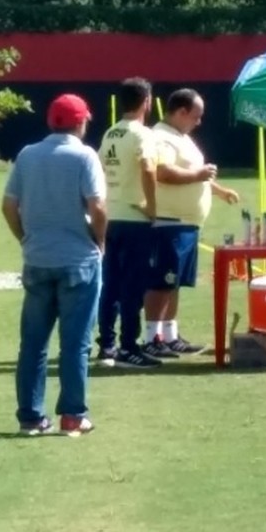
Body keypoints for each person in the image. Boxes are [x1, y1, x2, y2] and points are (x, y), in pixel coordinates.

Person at [2, 93, 107, 437]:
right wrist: (99, 240)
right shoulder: (84, 155)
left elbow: (9, 205)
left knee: (33, 343)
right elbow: (98, 206)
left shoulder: (28, 155)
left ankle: (30, 417)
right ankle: (73, 415)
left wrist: (25, 238)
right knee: (75, 342)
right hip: (78, 259)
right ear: (80, 122)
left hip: (38, 258)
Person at [142, 88, 240, 357]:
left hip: (185, 224)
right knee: (161, 282)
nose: (199, 122)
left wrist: (217, 190)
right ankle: (151, 337)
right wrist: (198, 174)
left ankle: (170, 336)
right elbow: (162, 172)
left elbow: (195, 173)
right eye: (196, 116)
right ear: (181, 112)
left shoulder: (179, 137)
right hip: (168, 221)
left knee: (174, 283)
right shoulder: (161, 137)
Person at [96, 77, 160, 370]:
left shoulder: (110, 133)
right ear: (146, 101)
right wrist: (152, 207)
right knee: (133, 285)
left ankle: (106, 344)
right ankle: (129, 347)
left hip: (111, 216)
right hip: (135, 218)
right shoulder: (142, 134)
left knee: (110, 283)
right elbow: (147, 167)